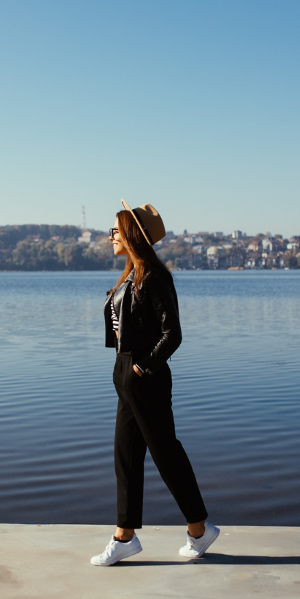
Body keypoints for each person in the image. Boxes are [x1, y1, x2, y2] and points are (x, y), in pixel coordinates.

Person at [91, 199, 219, 566]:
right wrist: (126, 372)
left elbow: (172, 334)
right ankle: (124, 537)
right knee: (125, 458)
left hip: (144, 376)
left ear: (132, 234)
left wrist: (142, 369)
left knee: (165, 455)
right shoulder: (132, 275)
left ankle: (199, 528)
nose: (110, 236)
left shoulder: (154, 277)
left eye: (115, 230)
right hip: (126, 374)